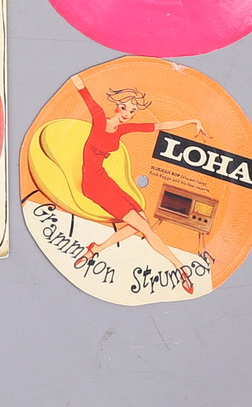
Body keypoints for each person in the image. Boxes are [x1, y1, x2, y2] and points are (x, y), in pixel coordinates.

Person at [68, 74, 208, 294]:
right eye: (124, 108)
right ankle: (180, 267)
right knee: (145, 228)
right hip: (93, 185)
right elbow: (81, 88)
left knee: (141, 222)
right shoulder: (99, 117)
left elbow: (160, 125)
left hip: (104, 179)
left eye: (132, 111)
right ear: (117, 106)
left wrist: (192, 121)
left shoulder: (123, 129)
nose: (127, 114)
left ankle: (96, 249)